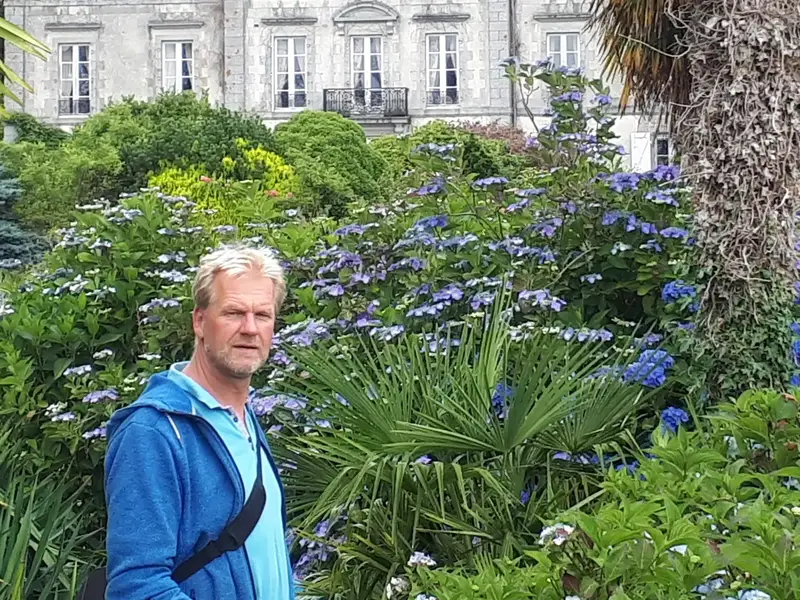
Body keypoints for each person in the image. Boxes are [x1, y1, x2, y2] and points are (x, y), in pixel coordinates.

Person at [104, 245, 294, 599]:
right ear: (200, 321)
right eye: (234, 312)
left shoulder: (246, 421)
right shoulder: (154, 433)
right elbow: (137, 586)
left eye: (263, 315)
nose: (250, 328)